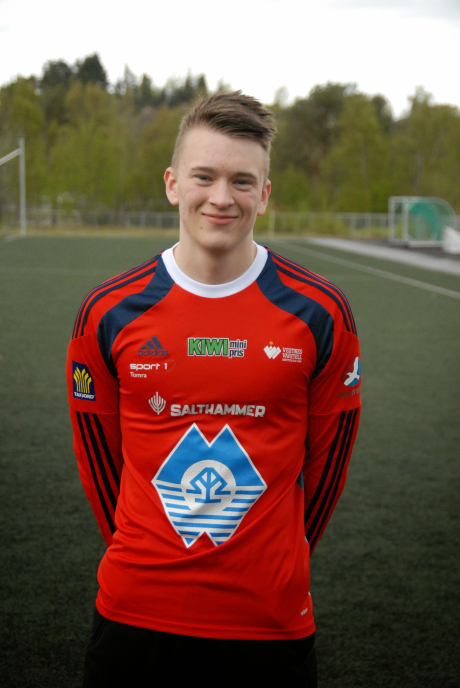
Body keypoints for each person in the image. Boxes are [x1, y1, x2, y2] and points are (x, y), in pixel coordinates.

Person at [67, 91, 361, 687]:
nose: (222, 198)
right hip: (136, 614)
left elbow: (327, 468)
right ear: (173, 184)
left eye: (242, 181)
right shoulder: (108, 312)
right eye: (204, 176)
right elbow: (100, 465)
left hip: (269, 621)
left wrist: (280, 558)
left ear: (265, 194)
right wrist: (148, 549)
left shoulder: (321, 312)